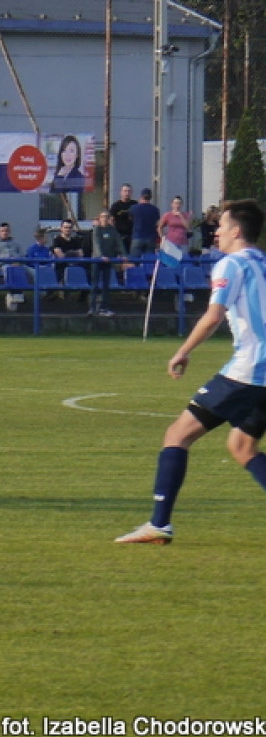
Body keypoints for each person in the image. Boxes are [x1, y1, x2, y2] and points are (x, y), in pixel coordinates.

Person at [116, 199, 266, 545]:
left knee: (177, 435)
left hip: (248, 371)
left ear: (237, 230)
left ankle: (159, 523)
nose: (216, 232)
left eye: (222, 225)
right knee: (243, 446)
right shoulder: (262, 262)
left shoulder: (231, 264)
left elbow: (213, 316)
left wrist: (183, 351)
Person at [90, 211, 125, 317]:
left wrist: (123, 254)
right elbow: (97, 244)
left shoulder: (112, 230)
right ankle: (92, 308)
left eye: (107, 217)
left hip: (108, 260)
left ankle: (104, 308)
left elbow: (119, 243)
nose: (105, 219)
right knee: (95, 284)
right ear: (99, 219)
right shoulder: (96, 230)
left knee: (106, 285)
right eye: (103, 217)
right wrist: (100, 256)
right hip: (97, 260)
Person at [128, 188, 161, 267]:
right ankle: (148, 278)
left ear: (141, 196)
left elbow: (130, 219)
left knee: (134, 262)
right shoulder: (155, 210)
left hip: (137, 237)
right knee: (149, 263)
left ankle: (135, 277)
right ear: (150, 197)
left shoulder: (134, 208)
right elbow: (157, 223)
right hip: (150, 238)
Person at [51, 219, 84, 285]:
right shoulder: (57, 240)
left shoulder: (75, 241)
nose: (68, 229)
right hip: (61, 268)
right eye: (65, 227)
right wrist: (73, 253)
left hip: (75, 267)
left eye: (70, 227)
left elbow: (81, 255)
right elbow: (60, 256)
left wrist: (68, 254)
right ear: (61, 228)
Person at [109, 183, 137, 253]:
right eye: (125, 191)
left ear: (131, 193)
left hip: (133, 236)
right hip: (120, 235)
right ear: (121, 192)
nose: (127, 193)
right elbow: (111, 220)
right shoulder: (116, 206)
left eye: (129, 191)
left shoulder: (135, 204)